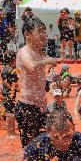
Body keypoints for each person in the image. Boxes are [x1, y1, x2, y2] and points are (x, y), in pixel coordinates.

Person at [16, 17, 58, 147]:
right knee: (30, 149)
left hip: (40, 106)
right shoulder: (24, 52)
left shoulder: (38, 51)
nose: (44, 35)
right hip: (27, 107)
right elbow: (31, 66)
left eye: (44, 31)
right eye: (40, 31)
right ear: (27, 34)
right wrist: (47, 61)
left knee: (45, 145)